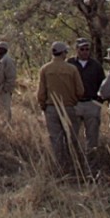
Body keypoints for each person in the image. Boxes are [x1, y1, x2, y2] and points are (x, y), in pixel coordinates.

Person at [37, 41, 84, 176]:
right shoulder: (72, 69)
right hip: (69, 108)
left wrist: (43, 105)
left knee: (56, 140)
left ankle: (59, 169)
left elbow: (41, 93)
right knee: (72, 139)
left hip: (51, 109)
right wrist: (73, 100)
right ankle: (75, 168)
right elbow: (80, 91)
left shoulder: (45, 69)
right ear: (63, 53)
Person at [69, 38, 104, 169]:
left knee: (92, 138)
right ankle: (74, 164)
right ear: (76, 50)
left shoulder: (96, 65)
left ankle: (91, 167)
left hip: (91, 104)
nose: (85, 52)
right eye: (82, 49)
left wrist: (98, 102)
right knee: (72, 136)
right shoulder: (70, 64)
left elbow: (103, 85)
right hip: (75, 104)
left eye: (87, 49)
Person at [0, 41, 19, 119]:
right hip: (0, 90)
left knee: (4, 112)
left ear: (3, 50)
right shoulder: (0, 60)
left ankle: (6, 128)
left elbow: (11, 77)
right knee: (1, 111)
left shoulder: (7, 60)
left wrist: (5, 89)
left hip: (4, 91)